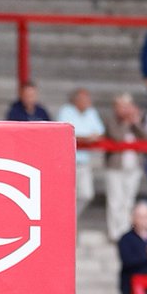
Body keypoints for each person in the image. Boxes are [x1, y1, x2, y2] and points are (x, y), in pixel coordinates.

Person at [56, 87, 107, 215]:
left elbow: (99, 132)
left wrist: (84, 138)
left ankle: (71, 218)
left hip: (84, 161)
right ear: (76, 100)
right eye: (84, 99)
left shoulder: (91, 112)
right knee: (65, 195)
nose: (87, 102)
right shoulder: (66, 111)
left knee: (86, 194)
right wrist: (85, 138)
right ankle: (64, 218)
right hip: (67, 162)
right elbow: (64, 133)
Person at [104, 92, 147, 242]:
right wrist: (127, 122)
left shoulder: (135, 123)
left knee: (128, 201)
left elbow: (146, 138)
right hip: (115, 167)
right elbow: (117, 137)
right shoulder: (112, 121)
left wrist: (136, 123)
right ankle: (114, 232)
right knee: (115, 200)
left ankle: (124, 230)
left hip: (133, 167)